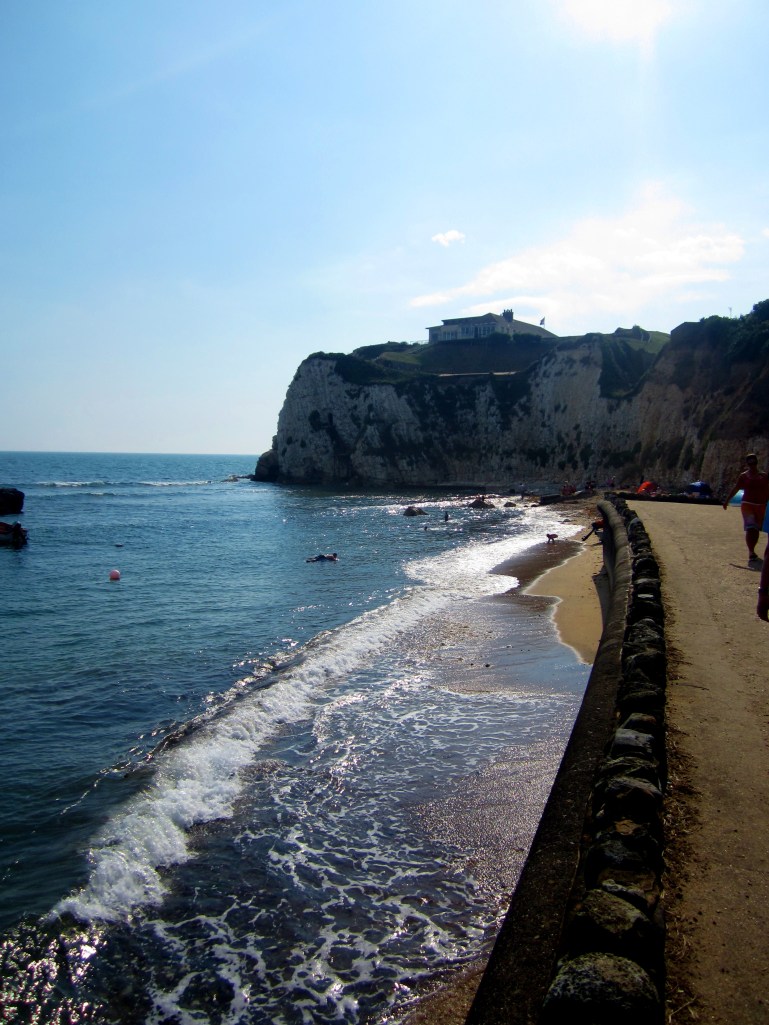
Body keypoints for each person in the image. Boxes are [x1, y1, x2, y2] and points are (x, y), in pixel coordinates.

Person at [723, 453, 769, 563]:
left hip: (761, 505)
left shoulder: (764, 476)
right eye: (750, 462)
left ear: (756, 462)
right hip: (747, 504)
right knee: (750, 527)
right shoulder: (743, 476)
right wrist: (727, 501)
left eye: (754, 462)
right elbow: (736, 488)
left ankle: (752, 549)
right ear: (747, 463)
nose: (752, 464)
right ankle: (751, 551)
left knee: (756, 529)